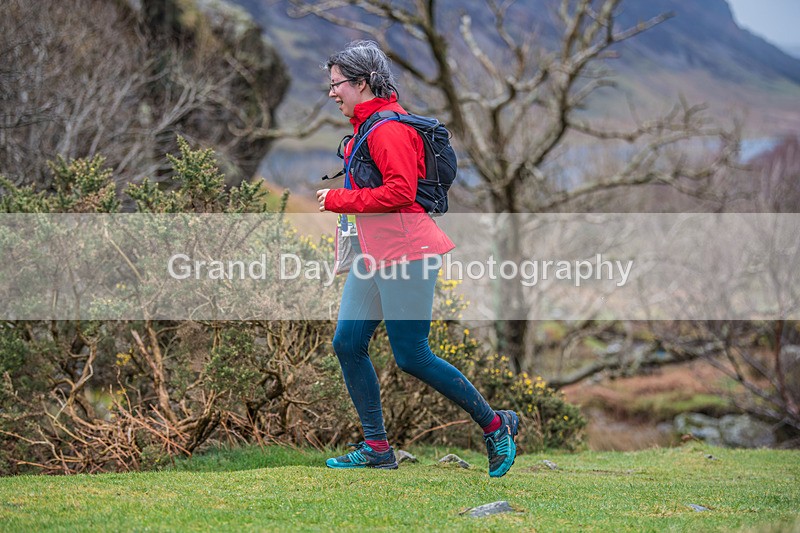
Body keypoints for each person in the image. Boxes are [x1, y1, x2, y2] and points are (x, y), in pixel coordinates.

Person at [316, 40, 519, 478]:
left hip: (408, 253)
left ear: (363, 83)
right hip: (374, 255)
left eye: (337, 85)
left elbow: (401, 192)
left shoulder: (388, 128)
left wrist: (338, 198)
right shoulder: (369, 126)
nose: (332, 93)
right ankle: (376, 447)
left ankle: (497, 425)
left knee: (413, 356)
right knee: (347, 343)